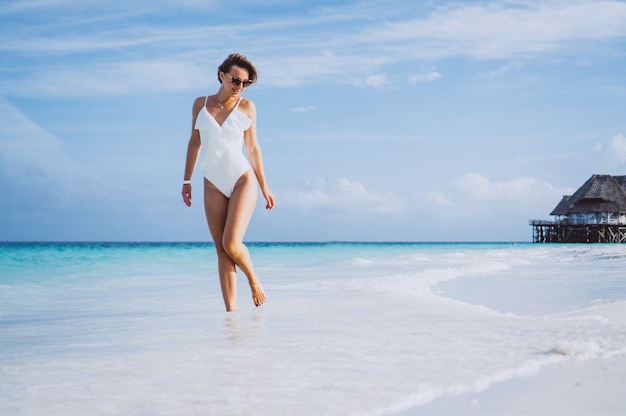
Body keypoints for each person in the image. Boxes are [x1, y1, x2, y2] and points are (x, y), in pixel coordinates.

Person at [181, 53, 275, 312]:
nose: (239, 86)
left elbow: (253, 148)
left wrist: (264, 186)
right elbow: (195, 142)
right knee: (221, 251)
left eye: (245, 83)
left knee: (231, 243)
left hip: (241, 180)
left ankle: (254, 281)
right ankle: (231, 316)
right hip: (211, 182)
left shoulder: (247, 107)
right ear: (222, 75)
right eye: (235, 80)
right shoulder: (200, 104)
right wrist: (186, 180)